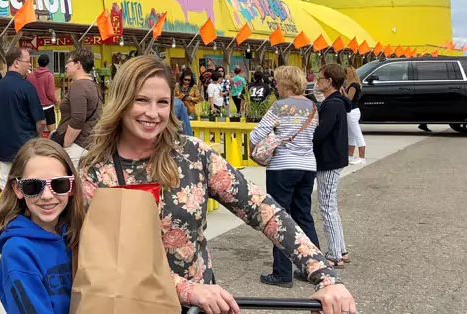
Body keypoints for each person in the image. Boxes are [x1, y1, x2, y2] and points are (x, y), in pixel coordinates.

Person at [79, 55, 357, 314]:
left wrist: (324, 274)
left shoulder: (193, 156)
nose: (152, 113)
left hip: (198, 307)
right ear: (122, 100)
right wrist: (188, 290)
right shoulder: (95, 171)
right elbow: (106, 260)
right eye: (141, 100)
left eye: (163, 102)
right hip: (128, 305)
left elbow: (263, 210)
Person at [0, 138, 84, 314]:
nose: (47, 195)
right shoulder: (18, 252)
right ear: (18, 189)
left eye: (59, 184)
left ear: (71, 187)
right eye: (33, 186)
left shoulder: (76, 234)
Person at [250, 66, 321, 288]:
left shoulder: (280, 107)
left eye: (278, 82)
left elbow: (256, 134)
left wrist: (260, 148)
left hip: (282, 167)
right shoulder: (312, 107)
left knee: (280, 218)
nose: (276, 86)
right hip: (307, 166)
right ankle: (314, 268)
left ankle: (282, 273)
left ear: (287, 84)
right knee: (304, 216)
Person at [0, 47, 46, 189]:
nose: (29, 65)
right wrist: (38, 137)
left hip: (4, 147)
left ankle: (6, 210)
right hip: (26, 146)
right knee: (28, 185)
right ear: (16, 63)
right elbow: (40, 121)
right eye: (27, 62)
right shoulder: (27, 87)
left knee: (5, 185)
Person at [314, 64, 353, 267]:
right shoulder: (339, 103)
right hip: (335, 157)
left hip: (329, 160)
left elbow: (321, 133)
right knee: (331, 206)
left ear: (329, 81)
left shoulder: (332, 104)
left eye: (320, 78)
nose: (317, 81)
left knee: (327, 206)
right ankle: (341, 248)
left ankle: (335, 253)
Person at [54, 47, 103, 167]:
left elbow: (78, 119)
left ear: (78, 64)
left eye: (68, 62)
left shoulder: (78, 85)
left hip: (76, 146)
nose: (66, 66)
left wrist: (66, 144)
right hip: (89, 142)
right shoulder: (93, 85)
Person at [28, 54, 58, 133]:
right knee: (52, 133)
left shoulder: (30, 75)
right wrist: (56, 101)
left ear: (38, 62)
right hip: (48, 108)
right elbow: (50, 93)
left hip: (34, 108)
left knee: (36, 134)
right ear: (48, 63)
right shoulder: (49, 75)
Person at [343, 67, 366, 165]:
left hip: (351, 111)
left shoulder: (353, 86)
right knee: (351, 135)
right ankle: (350, 156)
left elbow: (349, 99)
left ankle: (362, 157)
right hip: (353, 111)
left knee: (357, 135)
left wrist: (343, 91)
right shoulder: (356, 85)